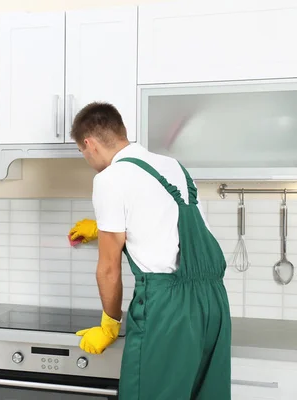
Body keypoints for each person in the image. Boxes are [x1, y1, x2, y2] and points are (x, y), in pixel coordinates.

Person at [68, 102, 231, 399]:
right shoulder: (173, 166)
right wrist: (103, 226)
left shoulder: (109, 179)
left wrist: (110, 325)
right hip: (213, 302)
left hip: (168, 306)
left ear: (88, 144)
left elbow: (108, 268)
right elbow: (163, 219)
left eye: (81, 151)